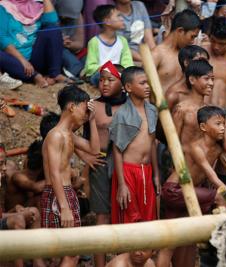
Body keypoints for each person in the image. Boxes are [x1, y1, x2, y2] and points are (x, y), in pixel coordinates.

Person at [158, 106, 226, 267]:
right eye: (218, 124)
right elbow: (212, 176)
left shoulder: (218, 148)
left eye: (223, 124)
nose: (222, 128)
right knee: (169, 242)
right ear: (203, 127)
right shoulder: (196, 147)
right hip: (175, 190)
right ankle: (222, 242)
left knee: (185, 240)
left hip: (190, 194)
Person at [41, 85, 99, 266]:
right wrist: (64, 207)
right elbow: (55, 172)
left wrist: (93, 121)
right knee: (66, 253)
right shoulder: (56, 135)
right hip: (58, 195)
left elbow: (94, 150)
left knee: (68, 253)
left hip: (65, 193)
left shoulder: (68, 135)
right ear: (72, 107)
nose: (85, 113)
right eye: (84, 108)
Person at [110, 67, 159, 224]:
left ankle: (146, 250)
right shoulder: (122, 114)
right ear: (129, 87)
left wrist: (156, 175)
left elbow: (152, 144)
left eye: (148, 83)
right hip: (128, 171)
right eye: (142, 83)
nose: (147, 87)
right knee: (130, 220)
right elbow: (117, 150)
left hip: (147, 170)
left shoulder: (152, 111)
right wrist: (122, 185)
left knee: (148, 218)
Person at [91, 61, 126, 267]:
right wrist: (86, 157)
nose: (104, 84)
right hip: (101, 162)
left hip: (126, 164)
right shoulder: (92, 105)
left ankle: (123, 261)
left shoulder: (131, 104)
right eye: (101, 80)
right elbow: (72, 134)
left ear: (123, 83)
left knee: (124, 214)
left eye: (110, 80)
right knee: (102, 216)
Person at [0, 0, 66, 87]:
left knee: (53, 29)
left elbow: (52, 21)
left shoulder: (36, 6)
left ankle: (55, 74)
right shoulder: (3, 7)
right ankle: (35, 77)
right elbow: (2, 38)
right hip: (14, 59)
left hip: (34, 58)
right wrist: (22, 60)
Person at [84, 5, 134, 87]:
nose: (122, 18)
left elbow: (128, 63)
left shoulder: (122, 41)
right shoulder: (94, 42)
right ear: (107, 21)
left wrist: (123, 72)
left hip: (119, 74)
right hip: (101, 74)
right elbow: (90, 66)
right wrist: (108, 70)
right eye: (118, 16)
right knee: (101, 78)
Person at [152, 9, 201, 92]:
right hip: (159, 104)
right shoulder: (156, 54)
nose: (193, 41)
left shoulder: (189, 55)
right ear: (180, 31)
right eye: (192, 37)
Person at [172, 59, 215, 151]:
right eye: (206, 78)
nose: (211, 83)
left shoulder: (209, 110)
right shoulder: (182, 109)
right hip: (184, 162)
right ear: (192, 80)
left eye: (212, 79)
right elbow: (173, 143)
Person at [4, 140, 45, 212]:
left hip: (28, 212)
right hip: (14, 214)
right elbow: (36, 187)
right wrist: (58, 176)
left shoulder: (40, 176)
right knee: (39, 199)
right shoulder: (18, 176)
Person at [165, 45, 210, 110]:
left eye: (205, 62)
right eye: (199, 61)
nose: (203, 65)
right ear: (186, 63)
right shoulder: (173, 95)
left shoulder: (205, 87)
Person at [54, 0, 86, 79]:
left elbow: (80, 44)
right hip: (55, 53)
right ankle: (78, 71)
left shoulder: (78, 17)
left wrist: (69, 44)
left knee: (87, 57)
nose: (66, 18)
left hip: (72, 50)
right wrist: (58, 41)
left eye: (70, 18)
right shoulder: (51, 16)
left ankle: (85, 72)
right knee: (60, 49)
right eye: (64, 17)